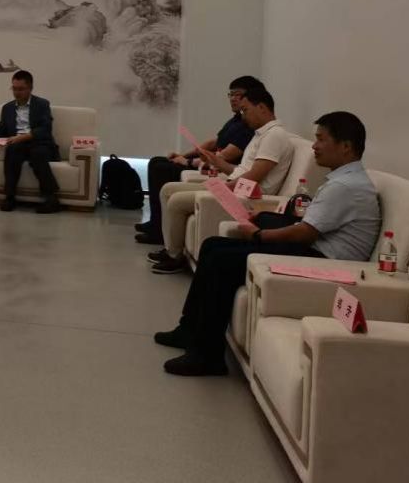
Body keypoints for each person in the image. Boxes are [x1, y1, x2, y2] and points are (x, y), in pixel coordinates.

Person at [154, 111, 380, 376]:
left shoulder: (345, 186)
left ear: (345, 146)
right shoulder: (345, 180)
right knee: (213, 245)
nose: (314, 146)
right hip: (314, 248)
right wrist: (263, 219)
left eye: (321, 139)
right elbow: (310, 223)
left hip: (326, 264)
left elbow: (304, 233)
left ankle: (207, 356)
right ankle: (189, 329)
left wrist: (258, 235)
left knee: (221, 259)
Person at [150, 87, 293, 274]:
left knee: (177, 201)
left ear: (262, 107)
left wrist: (225, 187)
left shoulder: (275, 136)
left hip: (249, 196)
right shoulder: (261, 134)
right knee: (168, 189)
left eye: (246, 110)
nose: (243, 116)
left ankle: (174, 255)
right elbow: (240, 170)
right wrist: (216, 162)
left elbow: (255, 176)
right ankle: (170, 246)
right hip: (236, 186)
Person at [136, 76, 259, 245]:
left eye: (237, 94)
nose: (232, 99)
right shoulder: (236, 119)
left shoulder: (248, 125)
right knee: (157, 161)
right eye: (230, 94)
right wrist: (183, 155)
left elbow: (225, 155)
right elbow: (214, 142)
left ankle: (159, 231)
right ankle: (156, 221)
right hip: (207, 163)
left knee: (160, 169)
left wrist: (187, 162)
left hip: (216, 169)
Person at [0, 69, 61, 214]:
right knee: (12, 150)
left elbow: (45, 129)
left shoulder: (42, 104)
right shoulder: (7, 108)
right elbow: (2, 129)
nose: (17, 92)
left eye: (21, 89)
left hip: (39, 142)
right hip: (18, 144)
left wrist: (24, 137)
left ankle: (51, 199)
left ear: (30, 88)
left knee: (38, 154)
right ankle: (9, 197)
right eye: (14, 88)